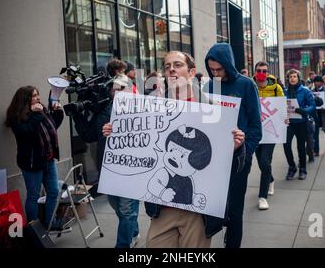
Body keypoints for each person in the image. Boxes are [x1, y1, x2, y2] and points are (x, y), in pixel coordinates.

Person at [104, 51, 246, 248]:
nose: (171, 69)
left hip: (198, 213)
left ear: (191, 72)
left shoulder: (213, 109)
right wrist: (118, 131)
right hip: (162, 208)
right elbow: (140, 146)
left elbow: (234, 168)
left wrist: (237, 148)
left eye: (178, 65)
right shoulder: (152, 108)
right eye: (167, 65)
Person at [203, 43, 262, 248]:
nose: (216, 73)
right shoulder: (208, 86)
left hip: (239, 158)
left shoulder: (246, 85)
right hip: (212, 158)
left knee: (236, 211)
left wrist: (247, 153)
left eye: (219, 69)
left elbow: (256, 126)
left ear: (229, 65)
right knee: (214, 206)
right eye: (212, 69)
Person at [73, 75, 140, 248]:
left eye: (121, 88)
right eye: (114, 89)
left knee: (126, 210)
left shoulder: (141, 109)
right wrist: (77, 116)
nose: (117, 92)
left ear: (131, 89)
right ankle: (133, 231)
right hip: (108, 168)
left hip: (132, 170)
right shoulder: (104, 110)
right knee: (116, 206)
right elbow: (89, 135)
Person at [5, 86, 64, 229]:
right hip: (32, 163)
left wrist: (58, 112)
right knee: (33, 196)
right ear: (25, 100)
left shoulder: (41, 109)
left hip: (48, 159)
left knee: (54, 192)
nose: (37, 98)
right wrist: (37, 114)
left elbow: (53, 126)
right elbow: (27, 132)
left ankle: (51, 223)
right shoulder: (16, 117)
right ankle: (35, 230)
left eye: (38, 95)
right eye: (33, 96)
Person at [252, 61, 284, 210]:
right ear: (255, 72)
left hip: (271, 132)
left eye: (264, 71)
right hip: (255, 132)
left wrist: (285, 117)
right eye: (259, 70)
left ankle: (262, 197)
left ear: (268, 73)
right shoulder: (249, 86)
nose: (262, 73)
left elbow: (281, 106)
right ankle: (270, 179)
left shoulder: (276, 88)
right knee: (261, 163)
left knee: (265, 162)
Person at [284, 69, 315, 180]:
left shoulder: (305, 91)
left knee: (301, 147)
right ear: (288, 78)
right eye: (290, 76)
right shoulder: (285, 91)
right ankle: (292, 167)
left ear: (298, 78)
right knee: (286, 146)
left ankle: (302, 169)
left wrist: (304, 110)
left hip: (301, 122)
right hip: (288, 123)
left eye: (294, 76)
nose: (292, 78)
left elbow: (312, 106)